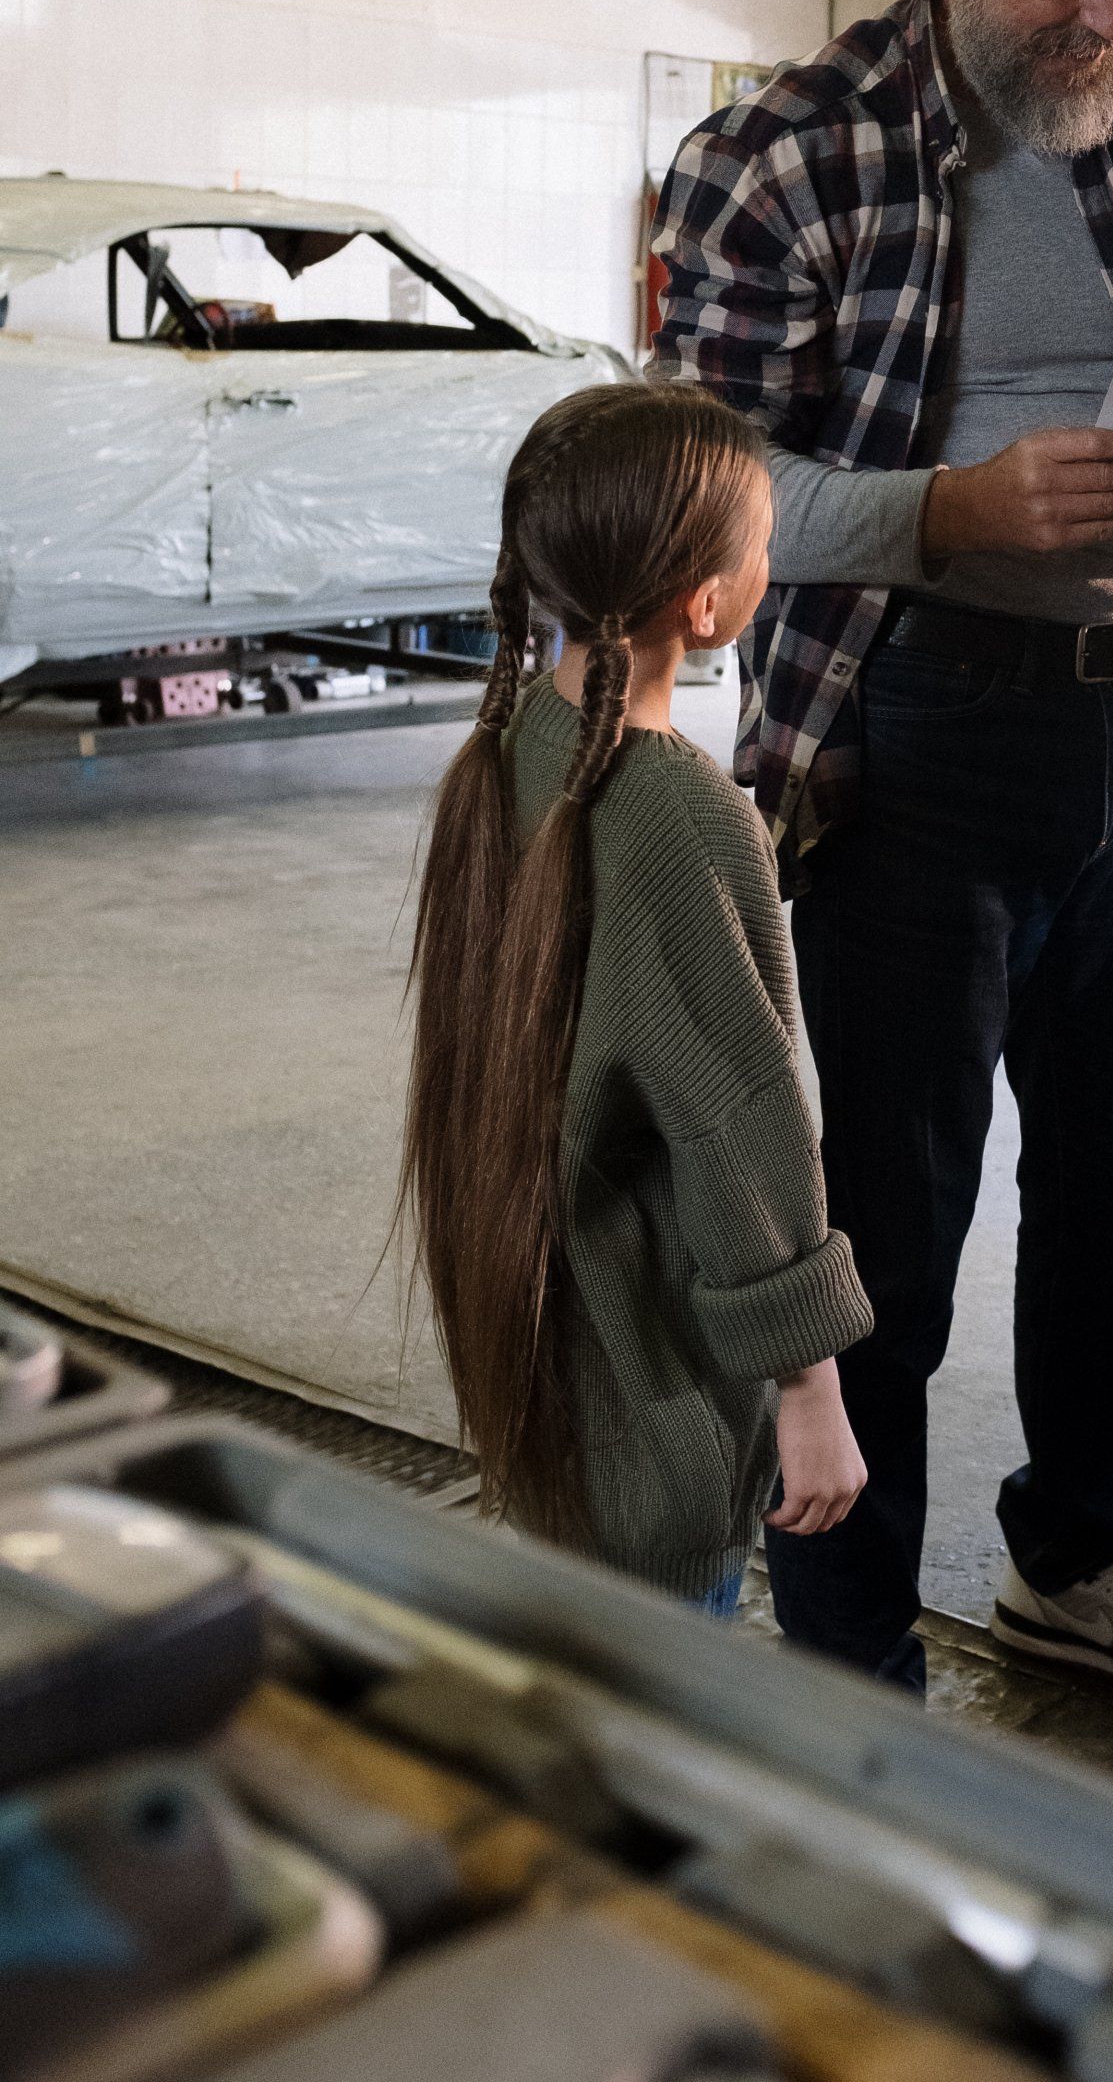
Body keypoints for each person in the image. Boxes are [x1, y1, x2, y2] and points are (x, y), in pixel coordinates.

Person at [650, 0, 1113, 1700]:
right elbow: (699, 491)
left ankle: (1081, 1563)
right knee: (886, 1248)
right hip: (899, 752)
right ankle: (852, 1659)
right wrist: (940, 513)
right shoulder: (786, 158)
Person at [401, 381, 872, 1615]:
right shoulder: (680, 814)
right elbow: (742, 1136)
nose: (772, 561)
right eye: (765, 544)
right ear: (708, 605)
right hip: (649, 1397)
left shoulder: (503, 755)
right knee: (649, 1713)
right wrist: (809, 1391)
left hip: (544, 1359)